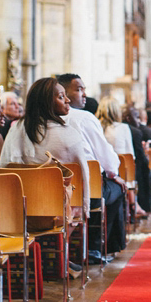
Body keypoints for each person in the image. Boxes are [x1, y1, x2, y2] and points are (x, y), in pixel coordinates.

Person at [0, 77, 91, 276]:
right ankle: (61, 259)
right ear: (46, 103)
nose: (67, 101)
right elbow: (83, 176)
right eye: (61, 97)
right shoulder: (69, 135)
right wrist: (85, 209)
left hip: (15, 215)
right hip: (53, 216)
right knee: (73, 200)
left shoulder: (16, 130)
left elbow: (2, 169)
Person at [57, 74, 127, 260]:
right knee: (115, 189)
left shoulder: (36, 122)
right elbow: (107, 158)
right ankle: (97, 248)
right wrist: (113, 174)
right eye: (79, 89)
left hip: (46, 193)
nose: (84, 94)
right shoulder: (84, 118)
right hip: (84, 191)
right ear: (64, 93)